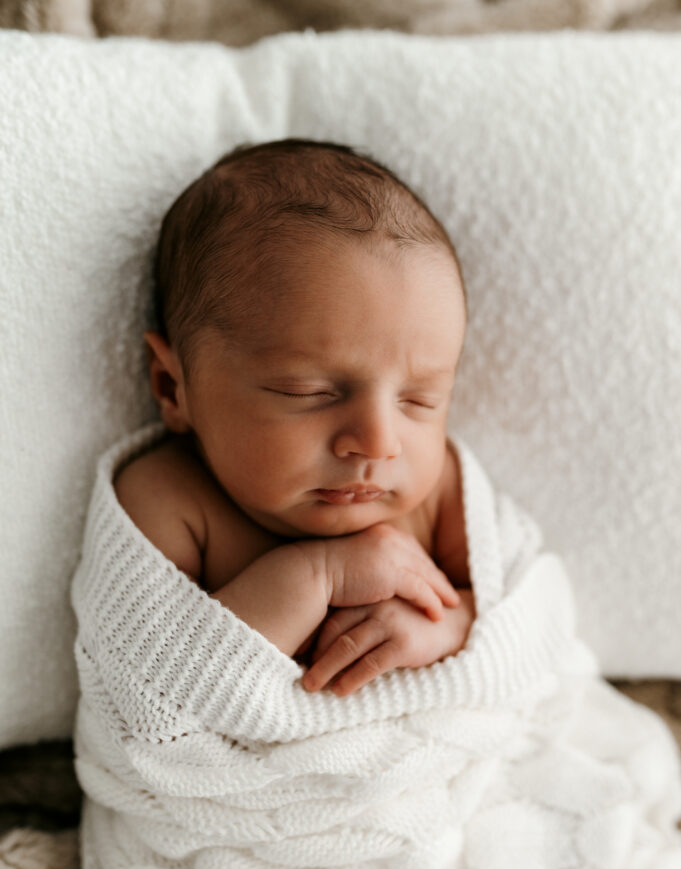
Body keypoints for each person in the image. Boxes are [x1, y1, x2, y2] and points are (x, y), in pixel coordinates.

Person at [114, 138, 475, 697]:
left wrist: (451, 629)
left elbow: (532, 617)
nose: (379, 443)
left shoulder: (441, 493)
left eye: (419, 401)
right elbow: (152, 693)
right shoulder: (170, 501)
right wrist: (318, 577)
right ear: (172, 386)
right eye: (311, 392)